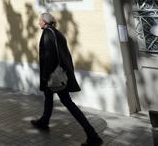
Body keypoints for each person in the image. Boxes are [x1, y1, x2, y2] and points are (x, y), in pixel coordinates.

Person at [30, 12, 103, 146]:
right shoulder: (57, 33)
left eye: (40, 20)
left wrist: (46, 76)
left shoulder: (47, 33)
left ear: (45, 22)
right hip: (60, 73)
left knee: (67, 102)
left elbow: (48, 57)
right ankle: (44, 121)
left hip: (53, 76)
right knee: (48, 98)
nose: (38, 22)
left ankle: (93, 136)